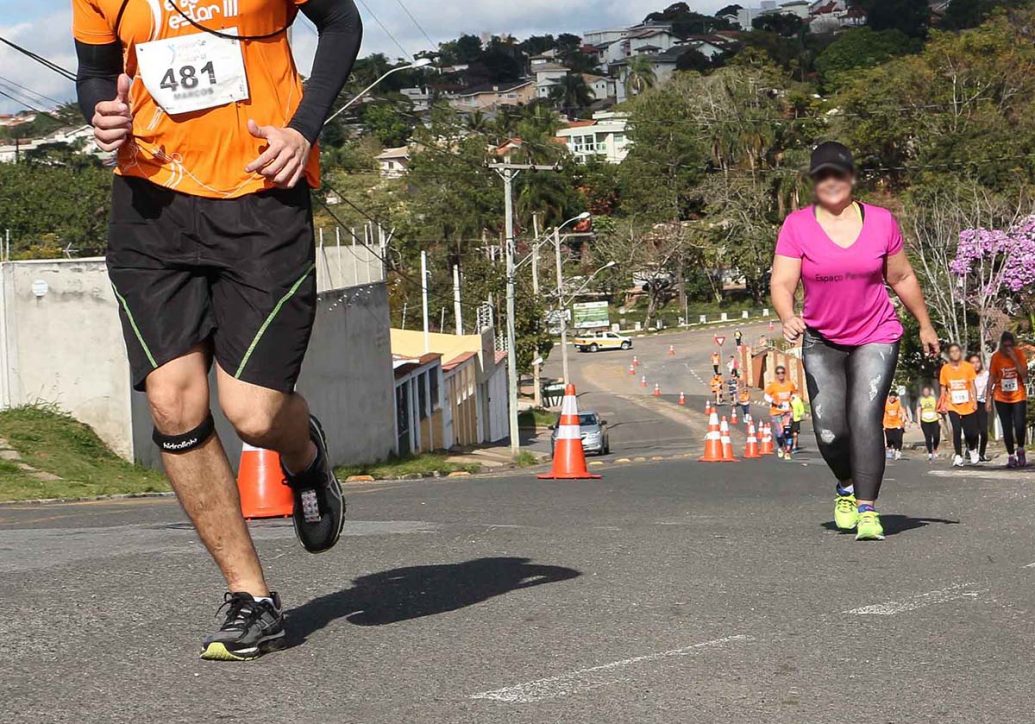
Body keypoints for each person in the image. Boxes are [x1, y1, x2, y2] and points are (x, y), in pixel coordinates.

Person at [73, 0, 363, 660]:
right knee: (174, 401)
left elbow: (341, 21)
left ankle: (304, 458)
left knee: (253, 414)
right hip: (151, 205)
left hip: (262, 198)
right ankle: (249, 596)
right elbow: (94, 72)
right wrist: (101, 111)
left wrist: (304, 128)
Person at [771, 141, 939, 541]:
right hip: (822, 337)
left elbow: (901, 278)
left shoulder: (881, 221)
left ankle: (867, 509)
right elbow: (781, 281)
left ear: (851, 177)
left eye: (838, 174)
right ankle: (845, 485)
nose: (831, 182)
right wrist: (787, 315)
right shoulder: (797, 225)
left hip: (876, 332)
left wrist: (925, 324)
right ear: (814, 182)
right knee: (830, 429)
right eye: (822, 175)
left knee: (865, 417)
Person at [988, 331, 1029, 468]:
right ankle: (1011, 456)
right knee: (1006, 426)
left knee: (1019, 424)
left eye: (1010, 346)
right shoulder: (996, 357)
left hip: (1018, 395)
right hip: (1001, 396)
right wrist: (988, 398)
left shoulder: (1019, 354)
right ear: (1001, 345)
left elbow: (1024, 375)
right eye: (1005, 346)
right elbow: (992, 378)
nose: (1008, 349)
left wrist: (1014, 358)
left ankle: (1021, 449)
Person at [939, 344, 980, 467]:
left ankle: (972, 449)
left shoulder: (968, 367)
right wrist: (943, 403)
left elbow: (972, 385)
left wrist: (975, 401)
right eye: (952, 351)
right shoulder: (945, 369)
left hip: (968, 404)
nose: (955, 353)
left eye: (957, 351)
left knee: (970, 432)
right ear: (949, 354)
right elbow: (943, 387)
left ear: (960, 352)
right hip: (952, 404)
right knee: (956, 429)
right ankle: (958, 455)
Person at [764, 365, 796, 459]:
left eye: (782, 372)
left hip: (787, 412)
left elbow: (794, 393)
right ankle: (780, 447)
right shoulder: (773, 386)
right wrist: (772, 401)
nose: (780, 374)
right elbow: (766, 395)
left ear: (785, 373)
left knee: (787, 431)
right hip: (776, 412)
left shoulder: (790, 384)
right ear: (776, 375)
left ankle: (787, 451)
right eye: (778, 373)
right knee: (780, 433)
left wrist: (792, 399)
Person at [968, 354, 991, 461]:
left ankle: (982, 453)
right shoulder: (968, 375)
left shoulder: (986, 374)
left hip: (982, 403)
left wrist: (988, 401)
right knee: (973, 431)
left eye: (977, 362)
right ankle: (973, 451)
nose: (975, 365)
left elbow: (990, 388)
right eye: (972, 362)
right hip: (971, 404)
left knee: (983, 431)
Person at [916, 385, 941, 462]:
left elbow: (937, 408)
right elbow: (918, 410)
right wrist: (918, 422)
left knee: (936, 436)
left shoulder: (934, 398)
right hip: (925, 420)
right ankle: (930, 452)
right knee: (928, 437)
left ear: (929, 392)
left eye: (927, 391)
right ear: (923, 392)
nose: (926, 393)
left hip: (934, 419)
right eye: (924, 391)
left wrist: (940, 419)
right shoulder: (921, 399)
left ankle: (935, 448)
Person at [883, 391, 905, 460]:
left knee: (898, 439)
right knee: (890, 439)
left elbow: (902, 411)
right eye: (891, 398)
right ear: (889, 397)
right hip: (887, 424)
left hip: (897, 423)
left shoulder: (898, 402)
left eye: (894, 398)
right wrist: (883, 425)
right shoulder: (885, 403)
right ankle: (890, 449)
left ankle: (897, 451)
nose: (892, 400)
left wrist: (903, 421)